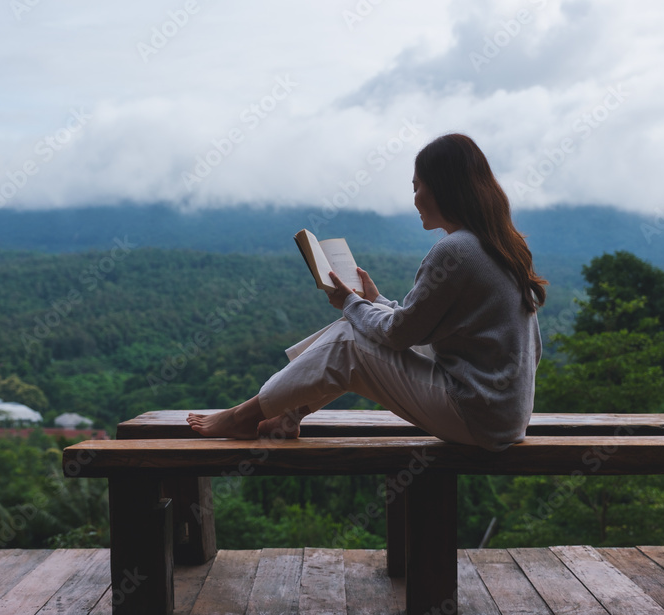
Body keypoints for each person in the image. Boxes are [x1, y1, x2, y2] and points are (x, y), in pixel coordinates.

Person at [187, 133, 547, 450]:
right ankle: (287, 415)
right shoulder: (501, 243)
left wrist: (349, 302)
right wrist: (372, 301)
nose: (415, 196)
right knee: (355, 327)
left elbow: (400, 334)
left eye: (417, 186)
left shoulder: (455, 250)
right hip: (503, 413)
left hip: (476, 416)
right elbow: (420, 326)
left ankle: (242, 417)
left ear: (442, 188)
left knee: (349, 338)